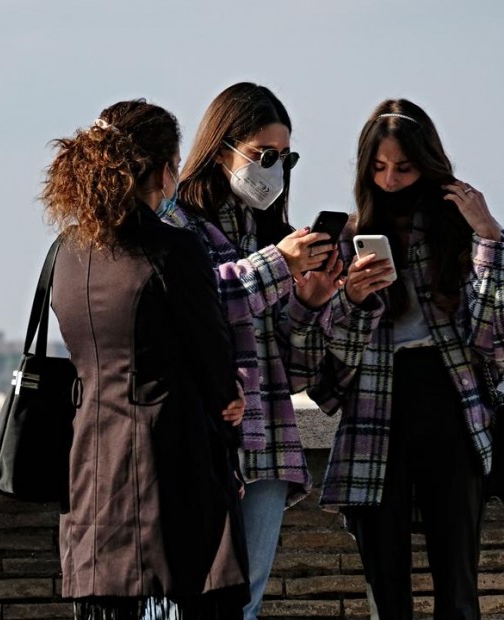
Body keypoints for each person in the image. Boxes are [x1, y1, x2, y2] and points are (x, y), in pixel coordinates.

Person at [308, 98, 504, 619]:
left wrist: (487, 232)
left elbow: (500, 331)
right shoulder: (346, 238)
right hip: (373, 408)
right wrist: (350, 299)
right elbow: (322, 352)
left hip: (450, 402)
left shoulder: (460, 231)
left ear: (429, 165)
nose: (391, 179)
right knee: (383, 581)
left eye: (404, 167)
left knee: (456, 579)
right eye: (378, 167)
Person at [42, 99, 251, 619]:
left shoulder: (65, 253)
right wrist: (231, 402)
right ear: (162, 169)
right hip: (170, 469)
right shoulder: (173, 250)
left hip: (90, 472)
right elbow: (212, 356)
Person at [162, 82, 342, 620]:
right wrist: (278, 266)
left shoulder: (274, 234)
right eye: (265, 155)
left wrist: (311, 304)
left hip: (267, 443)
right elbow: (188, 302)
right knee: (190, 597)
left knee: (247, 601)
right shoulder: (176, 224)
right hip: (206, 437)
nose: (276, 170)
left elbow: (297, 371)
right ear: (222, 149)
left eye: (286, 157)